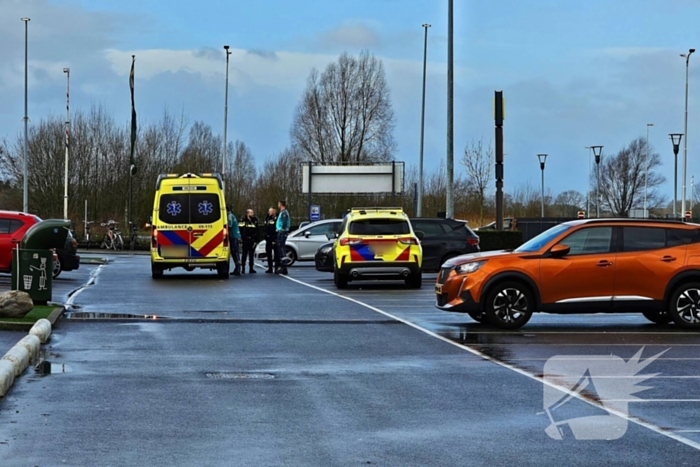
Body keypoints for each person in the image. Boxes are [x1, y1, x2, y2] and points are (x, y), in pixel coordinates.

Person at [239, 208, 259, 274]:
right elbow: (240, 230)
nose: (252, 214)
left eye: (252, 213)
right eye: (251, 213)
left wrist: (256, 240)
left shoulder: (255, 220)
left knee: (251, 255)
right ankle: (243, 268)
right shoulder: (243, 220)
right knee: (244, 254)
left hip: (252, 240)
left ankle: (251, 268)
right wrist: (241, 239)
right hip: (245, 240)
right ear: (247, 213)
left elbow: (257, 230)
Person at [275, 200, 290, 275]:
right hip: (281, 232)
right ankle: (283, 266)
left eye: (278, 204)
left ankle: (284, 266)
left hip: (282, 232)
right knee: (280, 248)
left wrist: (282, 229)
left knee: (281, 248)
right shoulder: (282, 212)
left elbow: (284, 222)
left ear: (280, 204)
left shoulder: (284, 212)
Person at [263, 207, 279, 273]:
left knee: (276, 254)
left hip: (274, 238)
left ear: (274, 212)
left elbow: (277, 228)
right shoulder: (267, 218)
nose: (269, 212)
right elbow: (265, 228)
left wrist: (275, 238)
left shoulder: (277, 218)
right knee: (268, 254)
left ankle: (276, 268)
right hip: (268, 238)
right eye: (269, 211)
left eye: (271, 211)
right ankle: (270, 268)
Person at [227, 206, 241, 276]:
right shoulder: (231, 215)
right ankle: (237, 268)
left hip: (234, 236)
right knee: (234, 252)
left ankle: (238, 268)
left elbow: (229, 225)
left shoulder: (229, 216)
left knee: (235, 252)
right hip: (234, 236)